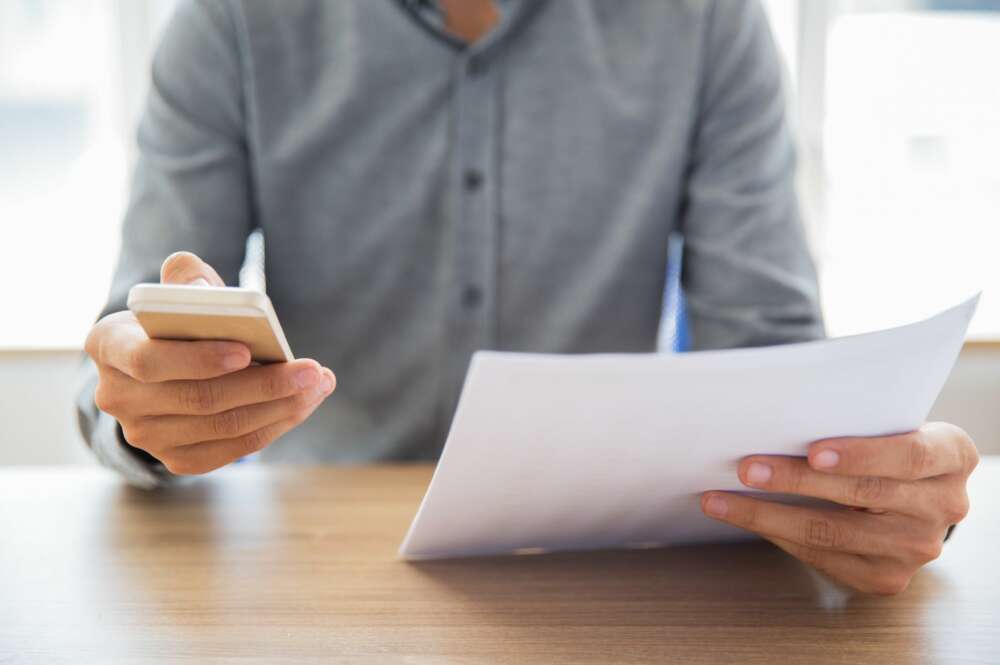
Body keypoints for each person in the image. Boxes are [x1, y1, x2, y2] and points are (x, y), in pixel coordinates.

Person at [77, 0, 978, 595]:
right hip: (320, 572)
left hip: (604, 578)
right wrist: (145, 411)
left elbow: (771, 353)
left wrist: (859, 489)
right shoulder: (230, 20)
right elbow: (126, 343)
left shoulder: (706, 20)